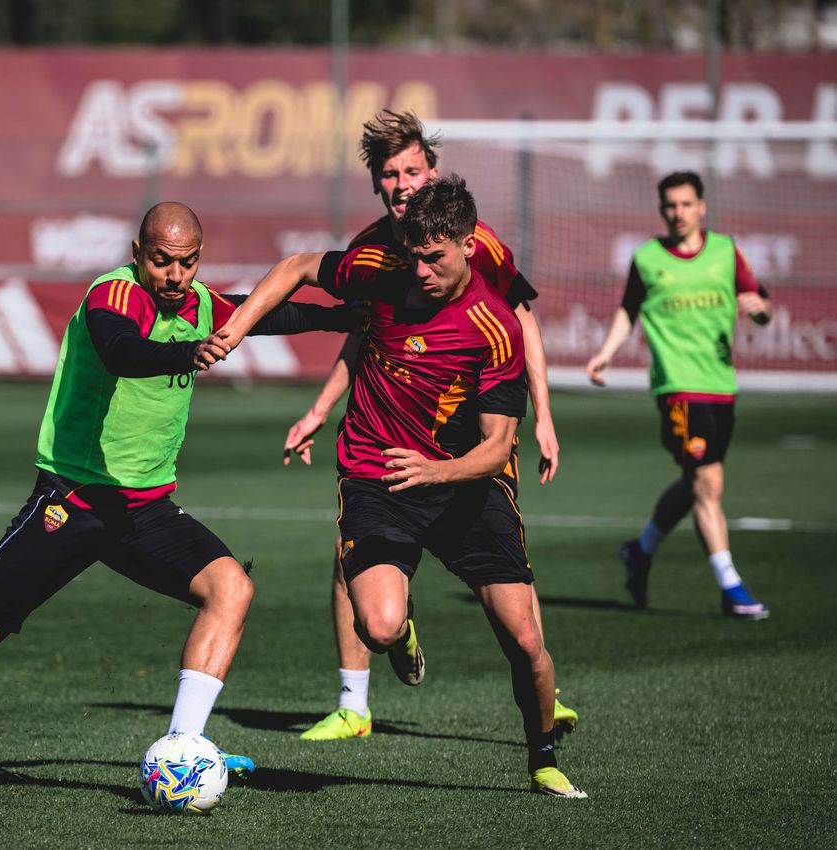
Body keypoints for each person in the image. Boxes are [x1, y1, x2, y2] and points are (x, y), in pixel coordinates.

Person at [0, 201, 355, 794]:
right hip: (71, 501)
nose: (174, 276)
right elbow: (118, 349)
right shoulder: (115, 295)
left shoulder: (202, 303)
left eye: (185, 264)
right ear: (138, 256)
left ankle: (183, 747)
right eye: (161, 262)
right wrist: (188, 353)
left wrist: (348, 316)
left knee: (231, 588)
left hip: (144, 511)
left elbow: (271, 315)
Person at [221, 175, 586, 797]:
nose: (420, 270)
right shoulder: (382, 269)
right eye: (414, 255)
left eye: (435, 258)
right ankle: (402, 627)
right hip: (377, 473)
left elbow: (497, 447)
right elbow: (299, 266)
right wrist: (236, 329)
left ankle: (544, 757)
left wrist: (437, 469)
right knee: (380, 627)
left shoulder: (496, 328)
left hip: (465, 485)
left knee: (525, 638)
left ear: (470, 246)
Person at [283, 110, 576, 742]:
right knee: (355, 558)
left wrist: (544, 415)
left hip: (470, 438)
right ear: (376, 184)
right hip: (389, 441)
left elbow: (519, 323)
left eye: (412, 169)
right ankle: (355, 702)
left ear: (432, 174)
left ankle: (541, 693)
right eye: (389, 173)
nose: (402, 183)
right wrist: (319, 410)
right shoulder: (371, 251)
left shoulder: (477, 243)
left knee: (509, 580)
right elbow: (369, 337)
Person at [586, 171, 772, 619]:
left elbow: (760, 301)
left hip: (721, 387)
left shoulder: (726, 252)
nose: (678, 213)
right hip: (677, 389)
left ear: (702, 206)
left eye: (687, 204)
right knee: (709, 483)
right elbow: (628, 310)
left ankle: (641, 550)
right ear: (661, 209)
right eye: (671, 205)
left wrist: (760, 309)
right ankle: (731, 587)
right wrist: (606, 354)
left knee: (695, 484)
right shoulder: (648, 259)